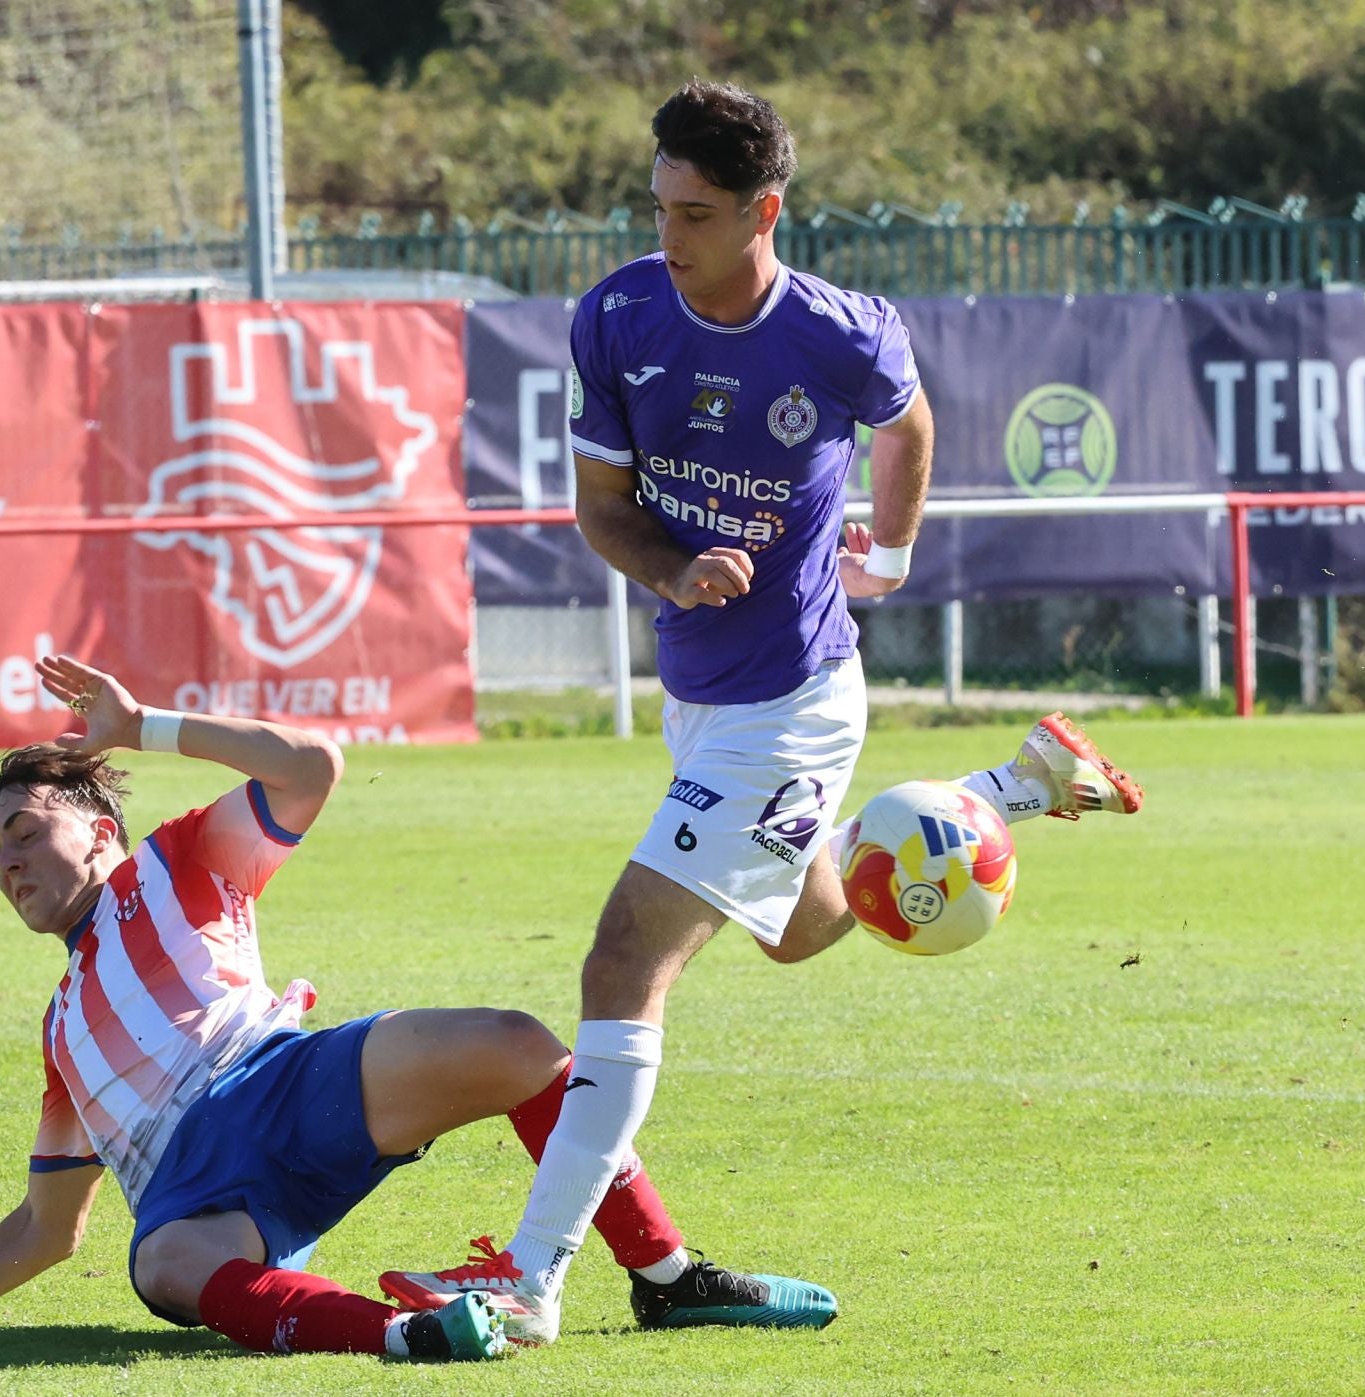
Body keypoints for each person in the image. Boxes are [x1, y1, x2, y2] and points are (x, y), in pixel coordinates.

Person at [381, 79, 1145, 1343]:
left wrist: (888, 554)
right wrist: (675, 572)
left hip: (790, 703)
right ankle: (1010, 788)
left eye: (696, 211)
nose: (668, 232)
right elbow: (600, 507)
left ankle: (530, 1281)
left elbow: (907, 424)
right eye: (658, 204)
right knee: (798, 930)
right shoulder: (617, 314)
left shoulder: (837, 334)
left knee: (623, 961)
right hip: (700, 688)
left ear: (763, 211)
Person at [0, 655, 831, 1362]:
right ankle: (412, 1336)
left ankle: (668, 1276)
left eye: (26, 829)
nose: (9, 861)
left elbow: (314, 763)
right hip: (193, 1183)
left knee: (525, 1047)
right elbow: (48, 1231)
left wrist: (144, 723)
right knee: (163, 1265)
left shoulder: (181, 860)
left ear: (96, 830)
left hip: (284, 1077)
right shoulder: (57, 1030)